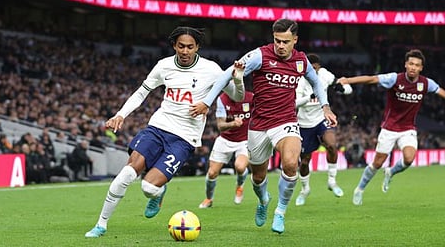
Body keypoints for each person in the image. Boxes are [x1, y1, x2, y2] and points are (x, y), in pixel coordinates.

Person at [85, 26, 245, 238]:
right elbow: (143, 91)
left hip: (184, 138)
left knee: (148, 188)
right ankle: (101, 225)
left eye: (190, 47)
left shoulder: (211, 70)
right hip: (158, 127)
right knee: (126, 173)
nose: (185, 51)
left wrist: (238, 78)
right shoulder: (164, 66)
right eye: (181, 46)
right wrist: (121, 114)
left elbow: (237, 97)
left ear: (197, 47)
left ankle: (158, 194)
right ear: (174, 46)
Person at [190, 19, 337, 234]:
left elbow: (316, 82)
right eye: (277, 40)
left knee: (290, 163)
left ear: (295, 40)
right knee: (258, 177)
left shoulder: (302, 61)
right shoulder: (259, 55)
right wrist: (207, 102)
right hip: (258, 125)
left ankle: (280, 212)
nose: (280, 45)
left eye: (286, 41)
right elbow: (226, 75)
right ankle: (263, 202)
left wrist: (326, 107)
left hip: (286, 121)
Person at [337, 49, 445, 206]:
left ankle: (391, 172)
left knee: (409, 158)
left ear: (421, 68)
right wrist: (348, 80)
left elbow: (441, 92)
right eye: (411, 64)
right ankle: (360, 189)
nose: (413, 67)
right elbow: (371, 79)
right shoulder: (395, 79)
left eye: (417, 65)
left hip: (408, 129)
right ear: (406, 65)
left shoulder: (426, 83)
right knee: (377, 163)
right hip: (389, 128)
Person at [294, 53, 353, 206]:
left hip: (321, 119)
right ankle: (305, 189)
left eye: (314, 69)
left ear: (319, 68)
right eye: (309, 69)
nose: (311, 72)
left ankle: (332, 181)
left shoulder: (325, 75)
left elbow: (346, 88)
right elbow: (294, 104)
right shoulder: (299, 80)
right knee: (305, 161)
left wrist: (341, 88)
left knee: (332, 145)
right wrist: (309, 97)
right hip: (304, 124)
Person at [198, 90, 254, 209]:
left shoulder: (251, 97)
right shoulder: (222, 99)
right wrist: (233, 123)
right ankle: (209, 198)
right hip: (225, 140)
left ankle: (239, 185)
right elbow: (220, 126)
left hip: (245, 140)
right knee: (212, 173)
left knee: (240, 166)